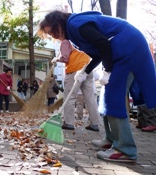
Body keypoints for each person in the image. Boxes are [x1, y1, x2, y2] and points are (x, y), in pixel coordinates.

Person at [37, 10, 156, 163]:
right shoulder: (74, 31)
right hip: (123, 48)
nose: (53, 36)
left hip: (128, 48)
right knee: (106, 96)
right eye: (50, 34)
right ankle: (112, 139)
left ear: (58, 22)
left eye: (52, 31)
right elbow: (98, 53)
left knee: (113, 97)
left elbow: (102, 42)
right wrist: (84, 71)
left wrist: (107, 69)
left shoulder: (75, 24)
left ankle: (125, 149)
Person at [51, 39, 100, 131]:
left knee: (70, 97)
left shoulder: (65, 41)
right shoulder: (79, 39)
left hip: (74, 70)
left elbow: (65, 58)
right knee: (90, 98)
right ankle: (95, 124)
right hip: (88, 69)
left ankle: (69, 123)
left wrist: (57, 59)